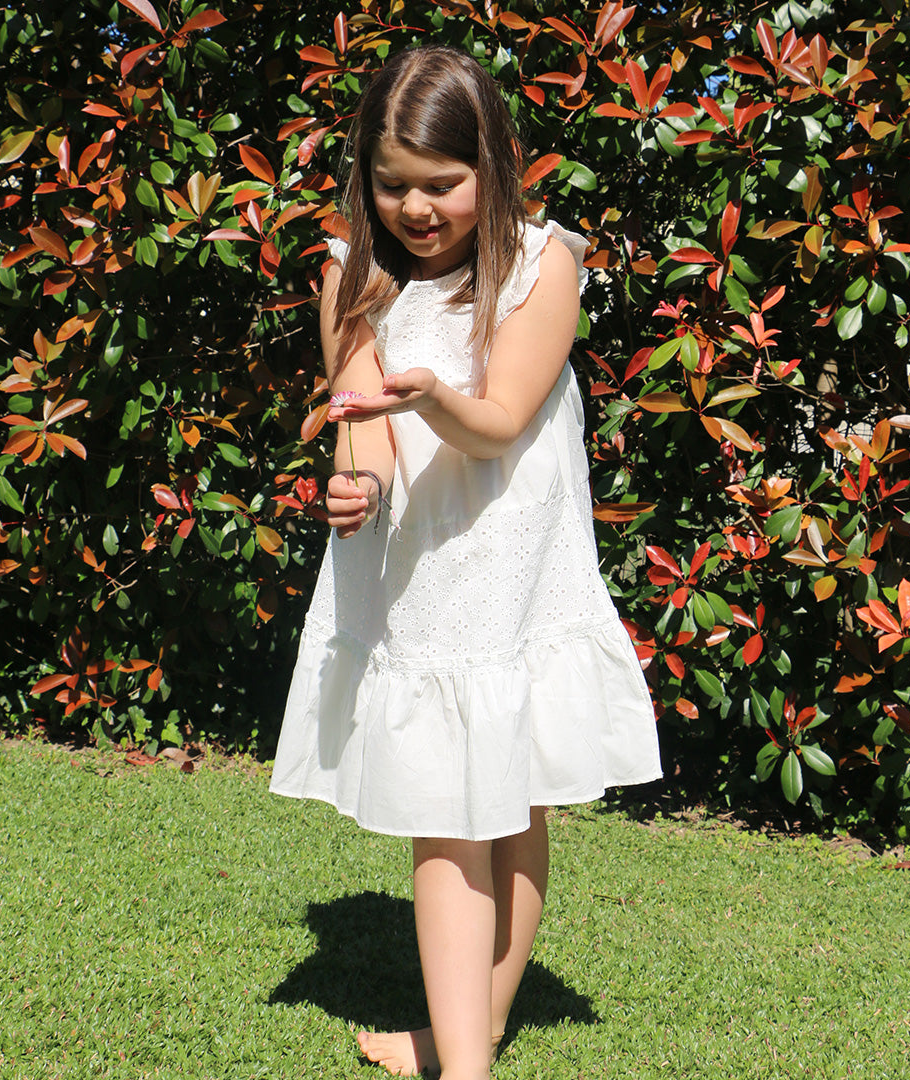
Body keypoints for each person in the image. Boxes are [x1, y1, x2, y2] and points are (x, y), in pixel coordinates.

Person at [269, 44, 661, 1080]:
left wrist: (430, 396)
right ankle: (465, 1051)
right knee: (448, 816)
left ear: (492, 165)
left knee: (514, 798)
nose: (415, 207)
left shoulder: (544, 261)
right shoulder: (349, 273)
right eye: (391, 185)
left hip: (515, 567)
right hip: (423, 586)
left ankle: (465, 1053)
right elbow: (364, 430)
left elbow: (496, 422)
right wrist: (356, 484)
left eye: (440, 183)